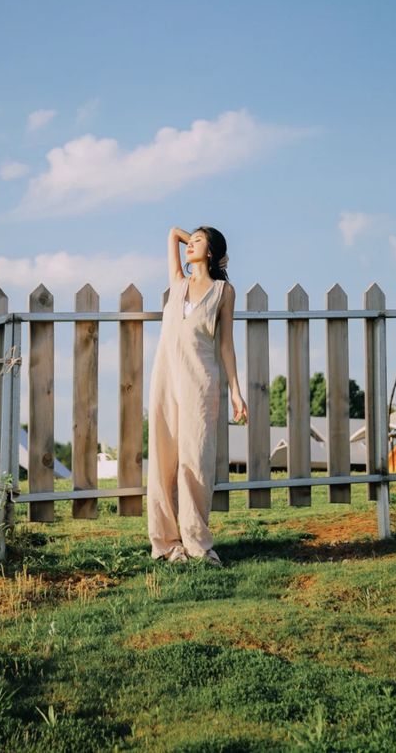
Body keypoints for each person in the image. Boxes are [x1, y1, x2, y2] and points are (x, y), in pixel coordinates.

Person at [147, 225, 248, 566]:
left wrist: (236, 391)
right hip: (165, 380)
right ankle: (167, 543)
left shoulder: (223, 291)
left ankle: (197, 542)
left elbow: (226, 346)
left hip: (201, 381)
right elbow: (172, 232)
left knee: (197, 460)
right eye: (190, 242)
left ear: (211, 251)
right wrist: (192, 235)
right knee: (164, 457)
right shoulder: (178, 282)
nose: (190, 245)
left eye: (197, 242)